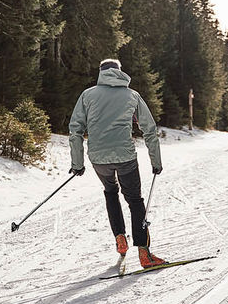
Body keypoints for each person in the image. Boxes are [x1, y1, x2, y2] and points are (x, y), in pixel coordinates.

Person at [69, 58, 167, 268]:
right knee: (134, 201)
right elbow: (149, 129)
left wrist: (77, 163)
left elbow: (75, 130)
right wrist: (156, 161)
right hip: (125, 158)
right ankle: (144, 253)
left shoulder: (88, 95)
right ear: (120, 72)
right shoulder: (132, 95)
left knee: (111, 192)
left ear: (101, 72)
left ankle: (120, 239)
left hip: (98, 159)